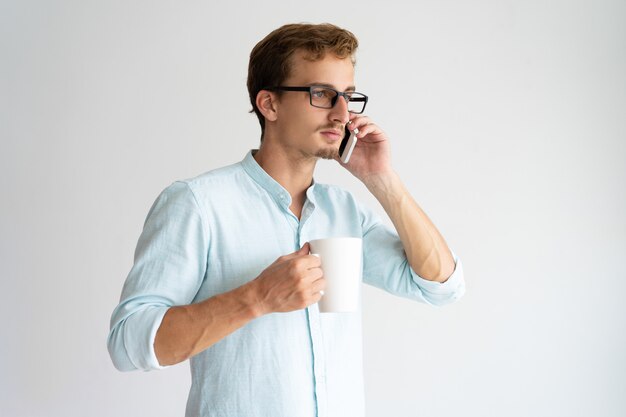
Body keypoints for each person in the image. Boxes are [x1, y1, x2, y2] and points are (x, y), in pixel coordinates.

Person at [107, 22, 465, 417]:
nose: (342, 114)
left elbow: (441, 287)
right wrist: (256, 298)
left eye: (348, 96)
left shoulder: (343, 212)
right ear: (269, 104)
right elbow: (129, 344)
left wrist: (382, 180)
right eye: (322, 94)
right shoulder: (198, 204)